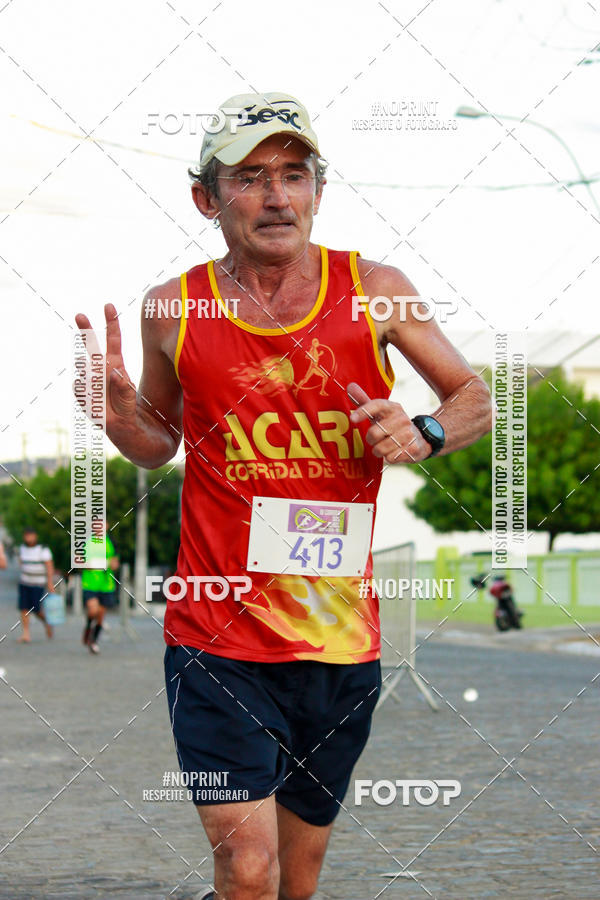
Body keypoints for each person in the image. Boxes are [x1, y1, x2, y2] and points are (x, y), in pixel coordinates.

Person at [75, 92, 492, 900]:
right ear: (207, 198)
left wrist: (426, 432)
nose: (276, 197)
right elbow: (160, 443)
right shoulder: (173, 307)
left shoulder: (376, 288)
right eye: (250, 177)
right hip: (216, 632)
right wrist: (122, 419)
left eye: (294, 175)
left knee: (296, 880)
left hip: (338, 642)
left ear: (318, 191)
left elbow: (472, 397)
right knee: (248, 867)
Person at [81, 520, 119, 654]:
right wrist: (103, 563)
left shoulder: (111, 542)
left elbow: (115, 563)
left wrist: (111, 564)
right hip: (90, 583)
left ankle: (93, 640)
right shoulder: (87, 543)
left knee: (101, 616)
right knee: (93, 611)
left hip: (106, 585)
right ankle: (88, 625)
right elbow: (83, 563)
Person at [17, 527, 54, 643]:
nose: (28, 538)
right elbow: (21, 562)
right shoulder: (22, 548)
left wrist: (50, 582)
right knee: (23, 608)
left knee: (36, 609)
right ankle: (26, 633)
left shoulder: (43, 549)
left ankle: (46, 622)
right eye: (26, 535)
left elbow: (49, 566)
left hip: (38, 583)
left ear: (35, 536)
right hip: (24, 582)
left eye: (30, 535)